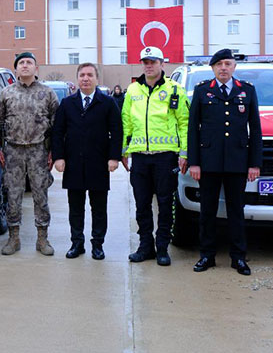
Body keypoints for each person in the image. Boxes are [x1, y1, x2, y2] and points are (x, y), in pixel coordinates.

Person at [187, 49, 261, 275]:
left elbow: (255, 130)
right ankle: (207, 255)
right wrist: (194, 162)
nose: (223, 68)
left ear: (234, 67)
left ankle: (238, 257)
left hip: (237, 163)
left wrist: (254, 163)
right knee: (207, 211)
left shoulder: (246, 91)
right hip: (208, 163)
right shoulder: (202, 91)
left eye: (228, 64)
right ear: (212, 68)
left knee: (236, 211)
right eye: (219, 64)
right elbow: (193, 130)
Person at [121, 46, 188, 266]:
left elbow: (184, 122)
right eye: (145, 62)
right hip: (140, 157)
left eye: (153, 61)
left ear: (162, 64)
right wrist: (123, 150)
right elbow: (126, 122)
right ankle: (145, 246)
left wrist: (184, 152)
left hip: (165, 158)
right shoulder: (133, 90)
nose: (148, 66)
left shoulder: (174, 89)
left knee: (166, 203)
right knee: (141, 204)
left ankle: (162, 248)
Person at [52, 63, 122, 260]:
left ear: (96, 79)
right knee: (76, 206)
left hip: (99, 162)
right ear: (77, 79)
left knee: (99, 207)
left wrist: (114, 157)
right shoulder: (67, 103)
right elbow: (58, 131)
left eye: (90, 75)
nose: (85, 78)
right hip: (73, 162)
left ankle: (97, 244)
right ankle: (77, 243)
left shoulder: (107, 103)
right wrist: (59, 157)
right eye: (82, 75)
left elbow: (117, 131)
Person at [0, 52, 59, 256]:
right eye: (21, 63)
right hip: (13, 151)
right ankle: (13, 238)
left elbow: (56, 126)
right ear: (15, 69)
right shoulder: (6, 93)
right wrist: (0, 148)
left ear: (36, 68)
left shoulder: (48, 93)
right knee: (13, 195)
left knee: (40, 195)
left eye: (29, 62)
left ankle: (42, 239)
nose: (25, 66)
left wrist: (53, 151)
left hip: (38, 150)